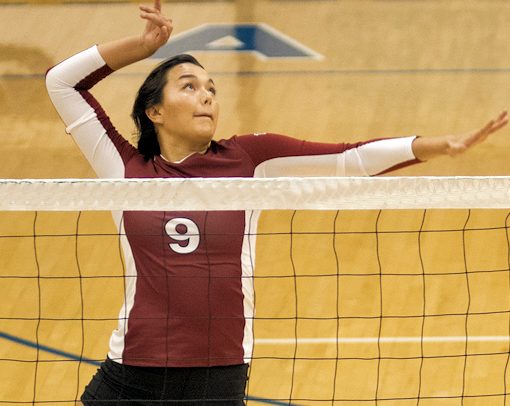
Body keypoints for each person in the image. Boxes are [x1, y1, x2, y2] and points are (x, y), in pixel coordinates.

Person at [45, 1, 508, 405]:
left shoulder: (248, 158)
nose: (206, 96)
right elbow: (62, 83)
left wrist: (437, 145)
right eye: (188, 86)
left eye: (211, 90)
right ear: (155, 111)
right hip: (134, 373)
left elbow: (351, 160)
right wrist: (142, 47)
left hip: (219, 374)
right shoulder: (123, 167)